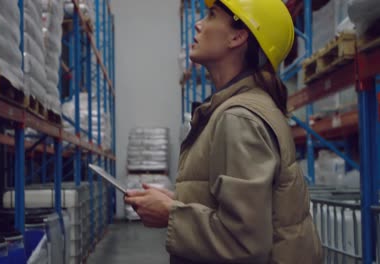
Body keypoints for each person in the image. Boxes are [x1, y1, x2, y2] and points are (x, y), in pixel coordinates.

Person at [124, 0, 323, 263]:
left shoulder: (238, 118)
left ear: (238, 36)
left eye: (210, 15)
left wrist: (171, 215)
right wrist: (179, 202)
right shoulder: (238, 108)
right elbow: (235, 206)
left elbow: (245, 241)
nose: (198, 24)